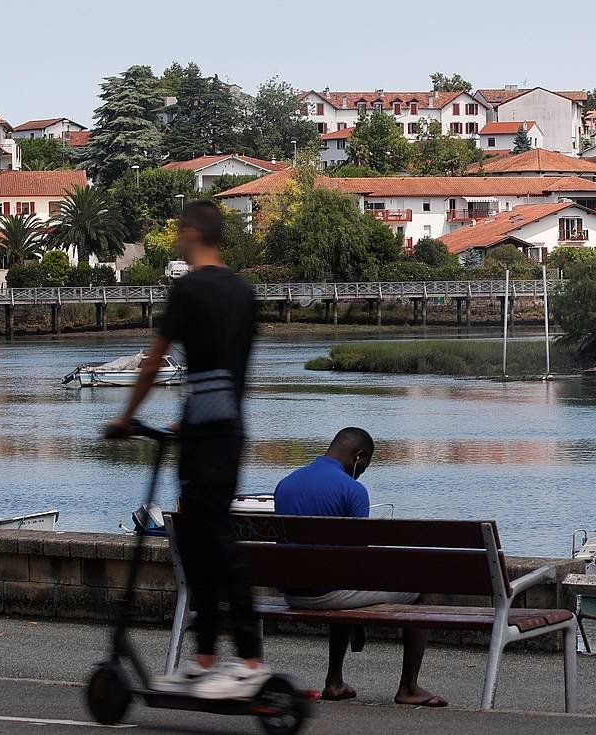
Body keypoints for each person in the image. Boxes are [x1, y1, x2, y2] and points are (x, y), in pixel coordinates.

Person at [106, 200, 268, 700]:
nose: (177, 237)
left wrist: (126, 417)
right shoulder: (244, 293)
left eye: (180, 231)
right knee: (197, 538)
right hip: (223, 427)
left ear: (194, 232)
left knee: (216, 537)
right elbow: (236, 369)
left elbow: (155, 361)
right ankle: (203, 657)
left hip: (207, 433)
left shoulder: (189, 289)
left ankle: (248, 659)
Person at [274, 428, 446, 707]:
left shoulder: (286, 483)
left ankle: (335, 682)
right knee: (422, 587)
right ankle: (409, 688)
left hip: (292, 594)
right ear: (359, 457)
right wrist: (359, 619)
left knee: (336, 577)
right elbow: (358, 562)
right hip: (328, 595)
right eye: (364, 466)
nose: (363, 472)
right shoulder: (352, 490)